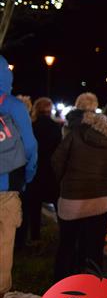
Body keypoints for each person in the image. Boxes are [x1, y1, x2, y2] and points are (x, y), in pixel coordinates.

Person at [51, 100, 107, 281]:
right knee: (95, 249)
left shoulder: (79, 131)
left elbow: (57, 160)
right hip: (101, 202)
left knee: (66, 246)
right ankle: (91, 290)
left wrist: (65, 181)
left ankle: (60, 288)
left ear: (104, 113)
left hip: (70, 200)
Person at [0, 56, 38, 296]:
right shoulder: (13, 106)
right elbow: (30, 146)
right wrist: (28, 175)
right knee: (4, 244)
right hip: (7, 186)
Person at [16, 97, 61, 248]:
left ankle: (35, 236)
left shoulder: (32, 127)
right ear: (50, 110)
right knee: (57, 203)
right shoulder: (56, 128)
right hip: (51, 172)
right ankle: (62, 236)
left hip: (35, 171)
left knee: (34, 205)